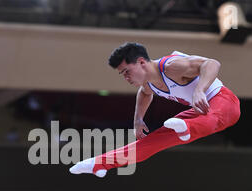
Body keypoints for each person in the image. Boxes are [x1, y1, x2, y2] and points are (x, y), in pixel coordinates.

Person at [69, 42, 241, 178]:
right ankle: (99, 163)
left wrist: (199, 90)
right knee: (150, 142)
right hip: (199, 111)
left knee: (207, 120)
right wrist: (138, 119)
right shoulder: (147, 82)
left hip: (225, 102)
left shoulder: (172, 66)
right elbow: (145, 93)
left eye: (127, 71)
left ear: (142, 62)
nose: (126, 77)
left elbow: (212, 64)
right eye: (122, 74)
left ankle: (189, 129)